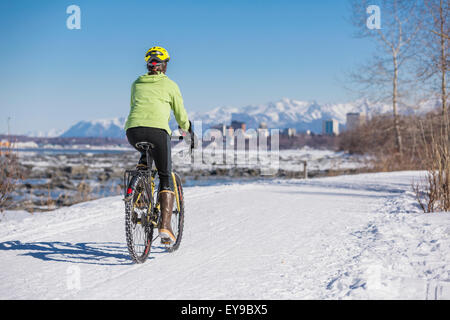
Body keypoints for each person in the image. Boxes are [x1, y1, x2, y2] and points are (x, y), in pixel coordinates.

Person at [125, 46, 191, 244]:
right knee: (165, 174)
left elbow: (134, 106)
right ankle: (165, 225)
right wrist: (187, 129)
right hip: (157, 131)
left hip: (133, 131)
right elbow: (180, 114)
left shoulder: (136, 83)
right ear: (164, 65)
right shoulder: (170, 85)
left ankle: (140, 192)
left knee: (146, 158)